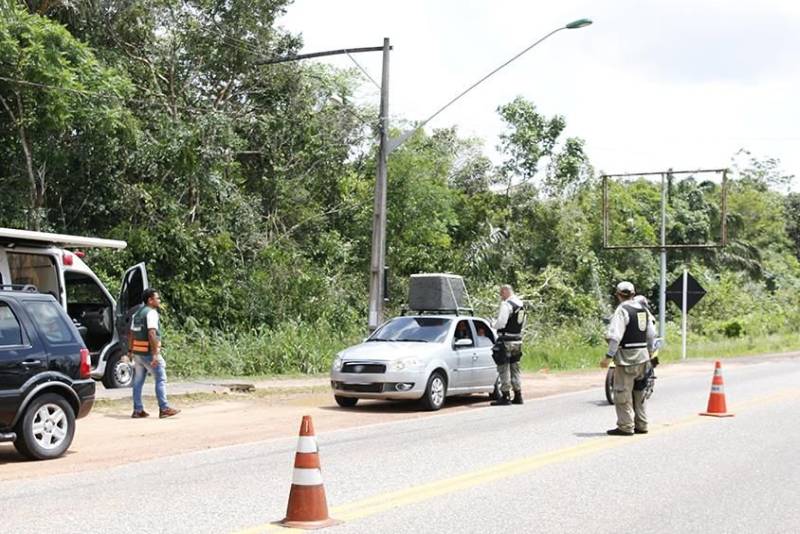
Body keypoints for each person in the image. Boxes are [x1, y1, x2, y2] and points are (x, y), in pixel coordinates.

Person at [601, 281, 655, 435]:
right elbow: (651, 334)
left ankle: (626, 426)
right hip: (643, 358)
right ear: (633, 294)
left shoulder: (622, 310)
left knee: (622, 393)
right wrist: (650, 352)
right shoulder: (643, 309)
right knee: (640, 393)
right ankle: (642, 424)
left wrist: (608, 356)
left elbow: (615, 336)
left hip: (627, 358)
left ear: (618, 295)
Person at [128, 288, 180, 419]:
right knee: (161, 379)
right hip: (148, 353)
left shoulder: (137, 314)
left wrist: (130, 351)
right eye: (157, 298)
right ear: (150, 300)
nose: (159, 300)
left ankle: (138, 410)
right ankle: (164, 408)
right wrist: (155, 353)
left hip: (138, 353)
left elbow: (131, 334)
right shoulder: (151, 313)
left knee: (138, 381)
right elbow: (152, 333)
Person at [491, 284, 526, 406]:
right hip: (517, 340)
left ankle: (505, 395)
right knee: (515, 367)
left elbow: (501, 322)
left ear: (506, 291)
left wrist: (493, 324)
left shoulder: (507, 305)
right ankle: (518, 394)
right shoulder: (521, 305)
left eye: (501, 292)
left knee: (503, 367)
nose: (501, 296)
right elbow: (522, 323)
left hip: (505, 340)